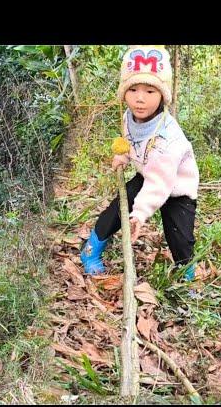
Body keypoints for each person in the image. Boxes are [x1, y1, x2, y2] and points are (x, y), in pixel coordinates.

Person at [80, 46, 199, 281]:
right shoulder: (129, 116)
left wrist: (141, 213)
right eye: (132, 89)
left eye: (150, 91)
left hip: (176, 186)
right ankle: (90, 251)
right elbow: (131, 141)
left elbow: (160, 182)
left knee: (179, 235)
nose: (140, 98)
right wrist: (124, 155)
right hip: (148, 174)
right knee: (117, 210)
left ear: (162, 95)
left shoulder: (168, 138)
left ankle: (187, 275)